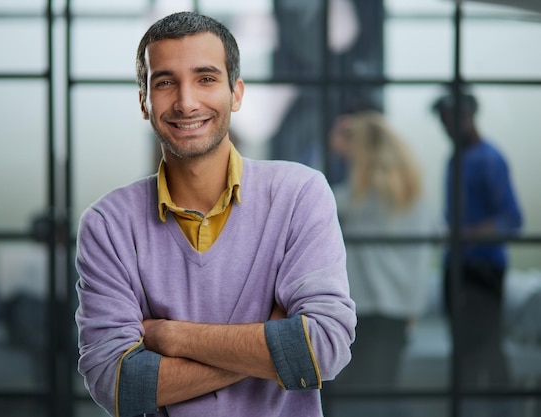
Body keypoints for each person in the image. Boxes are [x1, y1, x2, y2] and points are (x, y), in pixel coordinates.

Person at [74, 11, 356, 417]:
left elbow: (325, 348)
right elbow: (116, 383)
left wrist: (171, 337)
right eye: (166, 82)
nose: (186, 102)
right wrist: (271, 344)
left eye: (206, 79)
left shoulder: (299, 195)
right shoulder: (108, 225)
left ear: (236, 93)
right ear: (144, 101)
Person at [324, 110, 434, 416]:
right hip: (397, 309)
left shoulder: (362, 199)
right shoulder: (413, 195)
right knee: (380, 390)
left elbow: (311, 200)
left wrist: (335, 141)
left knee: (358, 396)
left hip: (367, 309)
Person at [432, 89, 523, 390]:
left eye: (455, 119)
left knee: (486, 348)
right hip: (457, 268)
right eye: (444, 122)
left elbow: (511, 220)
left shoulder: (488, 159)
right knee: (463, 351)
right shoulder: (455, 159)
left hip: (482, 269)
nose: (449, 128)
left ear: (470, 116)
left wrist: (464, 236)